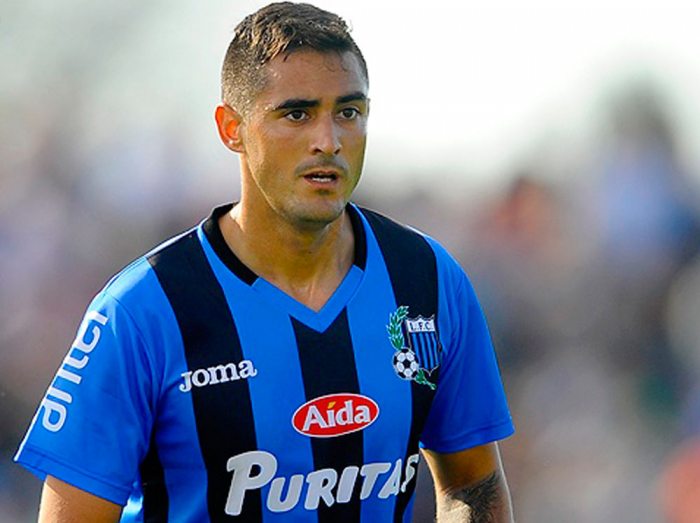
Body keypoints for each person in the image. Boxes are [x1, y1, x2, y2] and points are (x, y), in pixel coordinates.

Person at [15, 3, 515, 521]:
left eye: (348, 112)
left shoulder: (427, 280)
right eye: (297, 114)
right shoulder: (143, 311)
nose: (328, 141)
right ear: (232, 128)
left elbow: (474, 484)